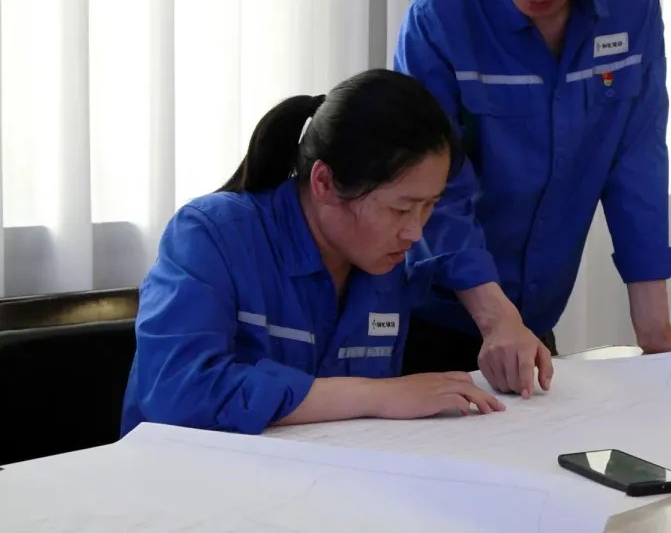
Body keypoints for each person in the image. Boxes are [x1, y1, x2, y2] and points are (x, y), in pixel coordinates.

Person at [393, 0, 671, 392]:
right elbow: (434, 189)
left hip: (530, 323)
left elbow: (636, 164)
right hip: (427, 320)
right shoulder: (439, 18)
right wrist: (497, 319)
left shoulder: (632, 12)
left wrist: (654, 328)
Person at [120, 69, 547, 437]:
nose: (415, 231)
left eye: (429, 206)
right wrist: (376, 396)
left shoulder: (384, 265)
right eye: (400, 209)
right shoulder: (209, 234)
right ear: (323, 182)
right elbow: (178, 394)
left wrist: (502, 324)